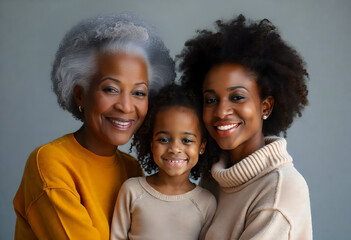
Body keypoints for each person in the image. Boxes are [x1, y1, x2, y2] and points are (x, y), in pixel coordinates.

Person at [13, 13, 175, 239]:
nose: (127, 107)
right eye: (110, 89)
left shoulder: (131, 170)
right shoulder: (50, 163)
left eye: (139, 92)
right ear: (80, 95)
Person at [178, 14, 312, 239]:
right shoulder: (214, 177)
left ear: (265, 107)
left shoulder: (280, 190)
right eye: (211, 100)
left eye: (237, 97)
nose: (221, 112)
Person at [110, 84, 217, 240]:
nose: (174, 149)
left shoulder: (206, 203)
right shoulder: (131, 190)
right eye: (164, 139)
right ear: (152, 144)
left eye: (186, 140)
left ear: (201, 146)